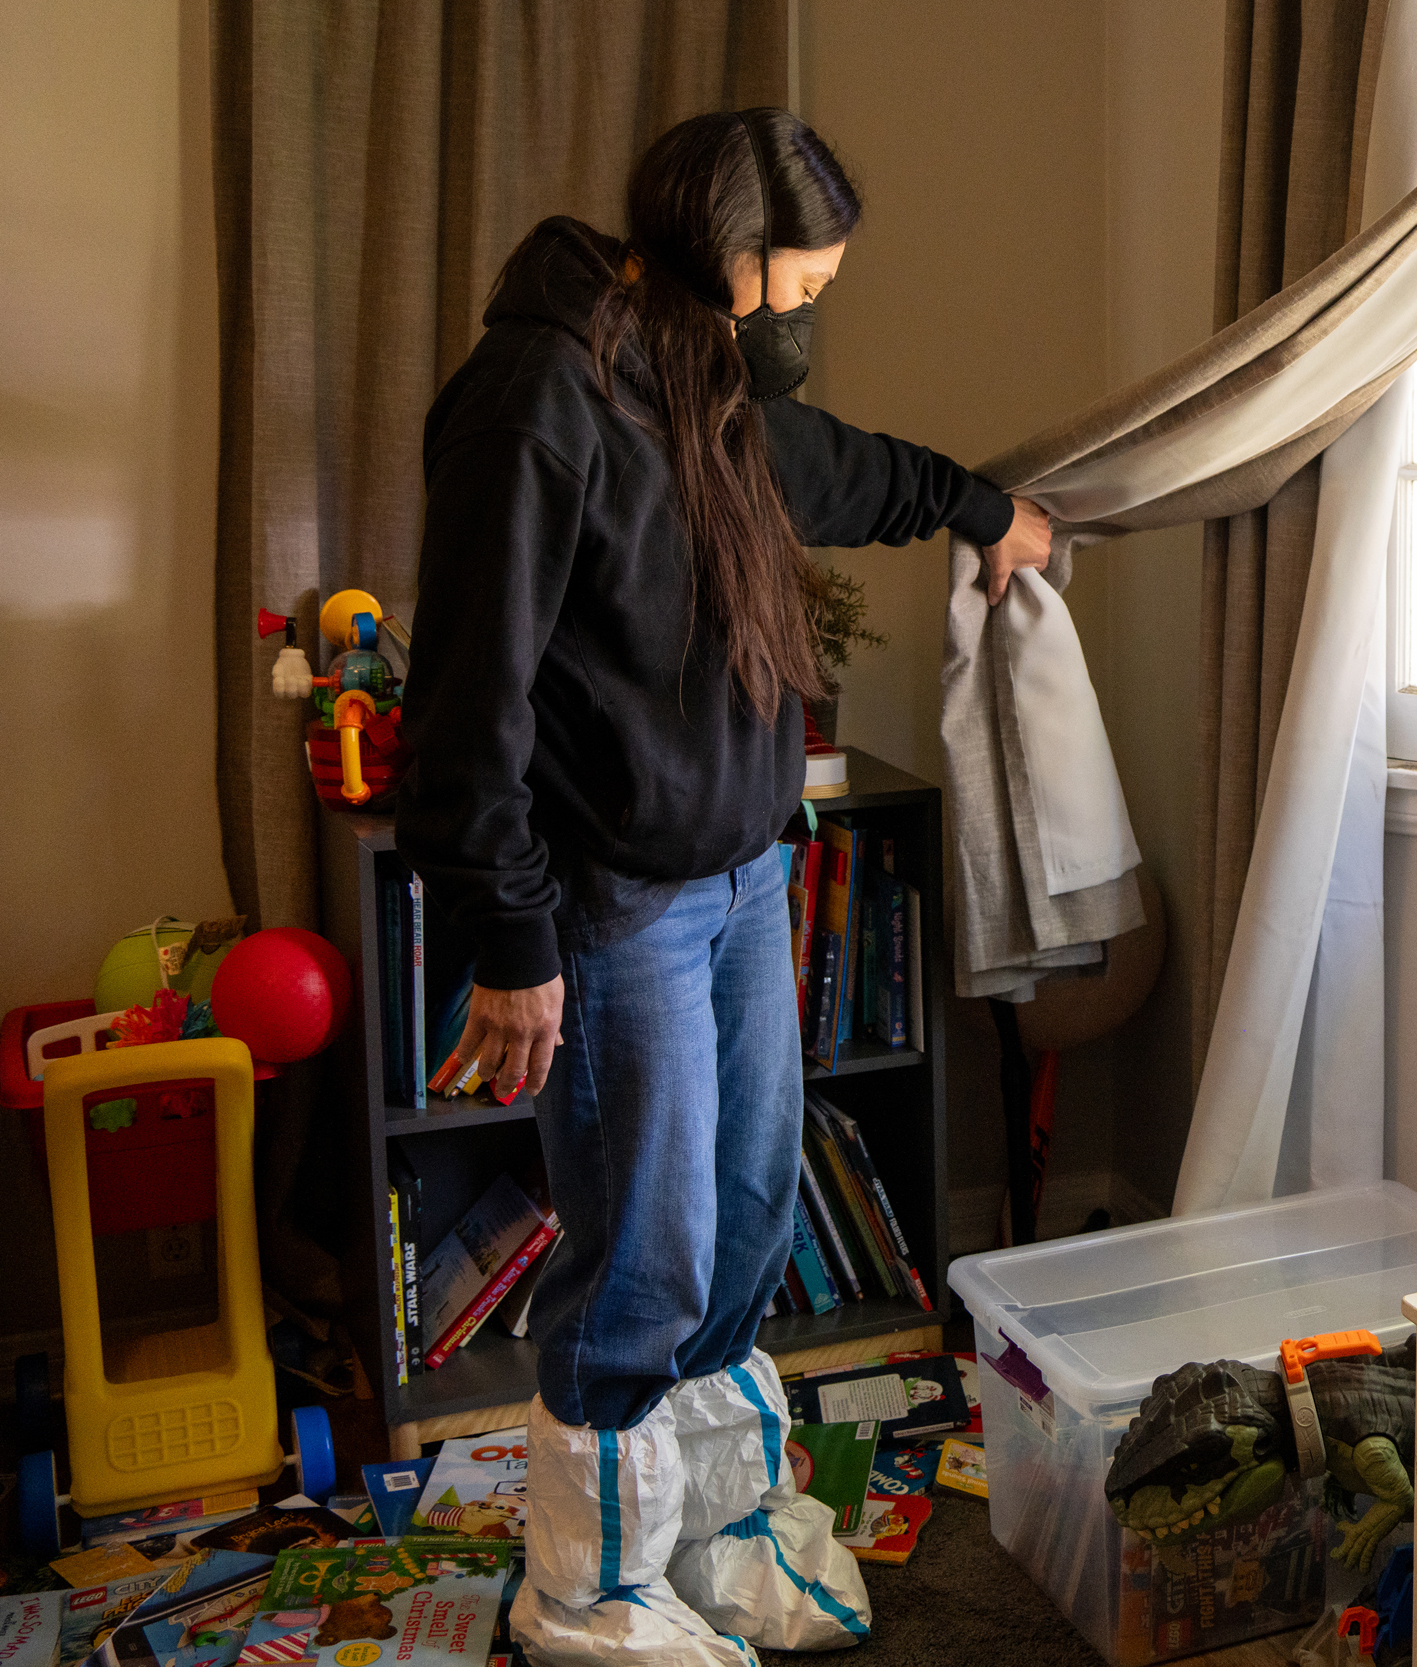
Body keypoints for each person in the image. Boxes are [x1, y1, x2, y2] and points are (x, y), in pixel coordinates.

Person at [396, 108, 1049, 1666]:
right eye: (798, 287)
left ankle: (707, 1528)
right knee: (647, 1247)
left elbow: (834, 468)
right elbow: (463, 711)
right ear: (724, 257)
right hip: (613, 905)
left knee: (751, 1221)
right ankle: (589, 1587)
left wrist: (982, 508)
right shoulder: (536, 402)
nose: (803, 320)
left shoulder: (698, 376)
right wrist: (511, 943)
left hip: (748, 878)